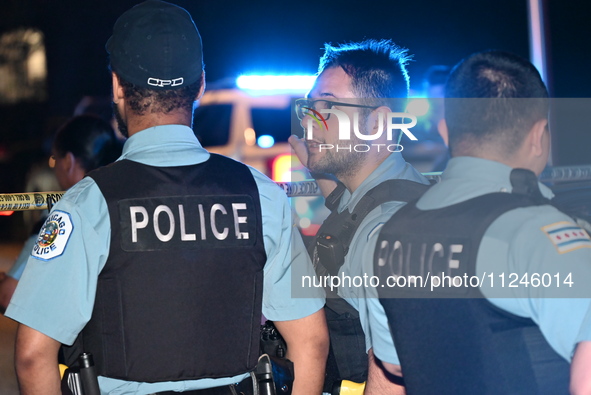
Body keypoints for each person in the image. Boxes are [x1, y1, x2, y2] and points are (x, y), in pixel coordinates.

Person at [6, 1, 328, 394]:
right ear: (202, 84)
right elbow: (310, 341)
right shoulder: (261, 196)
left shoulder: (87, 204)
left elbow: (32, 355)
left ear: (117, 86)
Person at [374, 50, 591, 394]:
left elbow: (393, 364)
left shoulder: (393, 231)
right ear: (539, 135)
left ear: (445, 130)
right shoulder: (539, 233)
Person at [289, 39, 429, 394]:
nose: (309, 121)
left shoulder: (385, 232)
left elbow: (392, 378)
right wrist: (320, 167)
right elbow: (350, 210)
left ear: (377, 121)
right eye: (308, 107)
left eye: (327, 107)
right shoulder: (397, 190)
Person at [0, 114, 122, 313]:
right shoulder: (124, 203)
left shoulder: (61, 216)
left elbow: (9, 295)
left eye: (55, 158)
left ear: (69, 162)